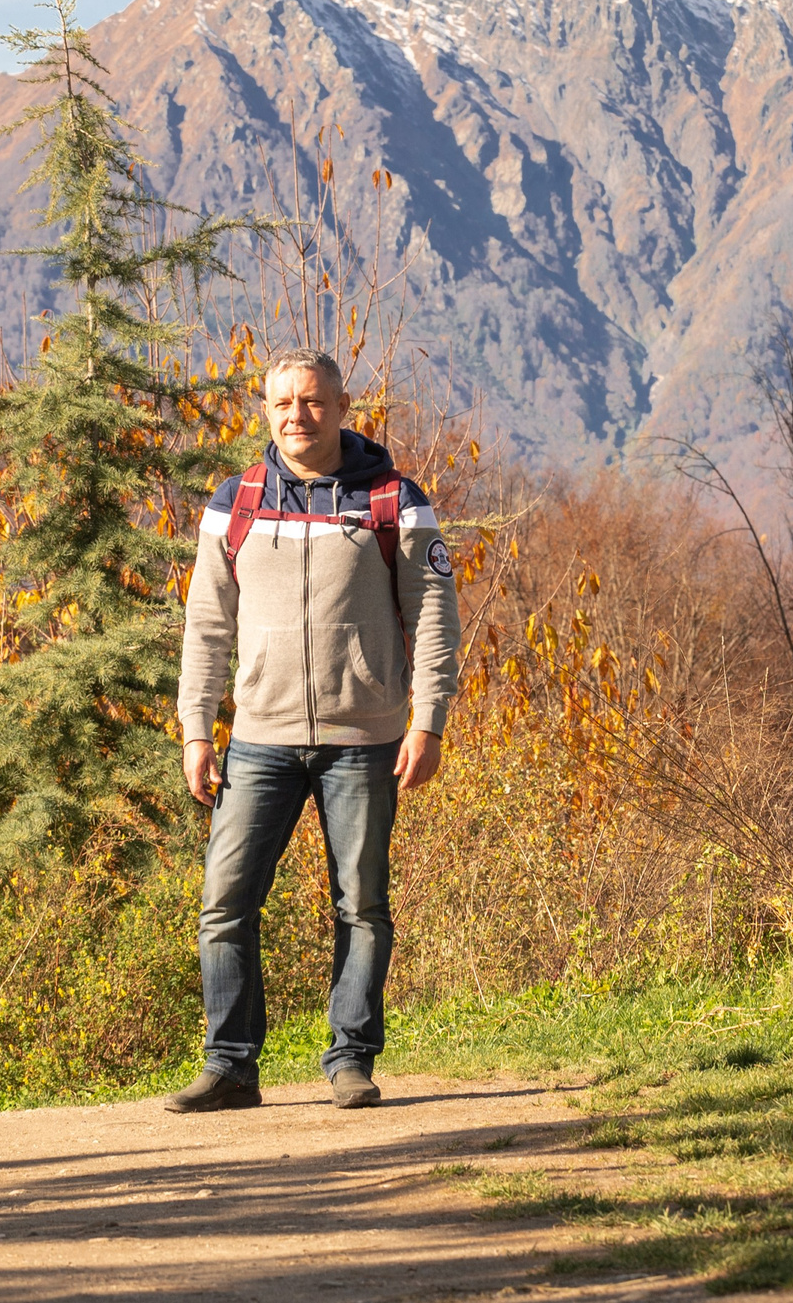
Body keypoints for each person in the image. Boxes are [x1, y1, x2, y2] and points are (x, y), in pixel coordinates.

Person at [165, 349, 460, 1113]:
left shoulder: (393, 498)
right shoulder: (236, 501)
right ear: (266, 410)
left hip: (364, 737)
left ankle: (351, 1059)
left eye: (313, 401)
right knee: (224, 901)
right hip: (258, 737)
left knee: (361, 904)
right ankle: (231, 1066)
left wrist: (428, 720)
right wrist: (196, 728)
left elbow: (434, 617)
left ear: (342, 405)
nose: (297, 415)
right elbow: (206, 624)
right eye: (283, 403)